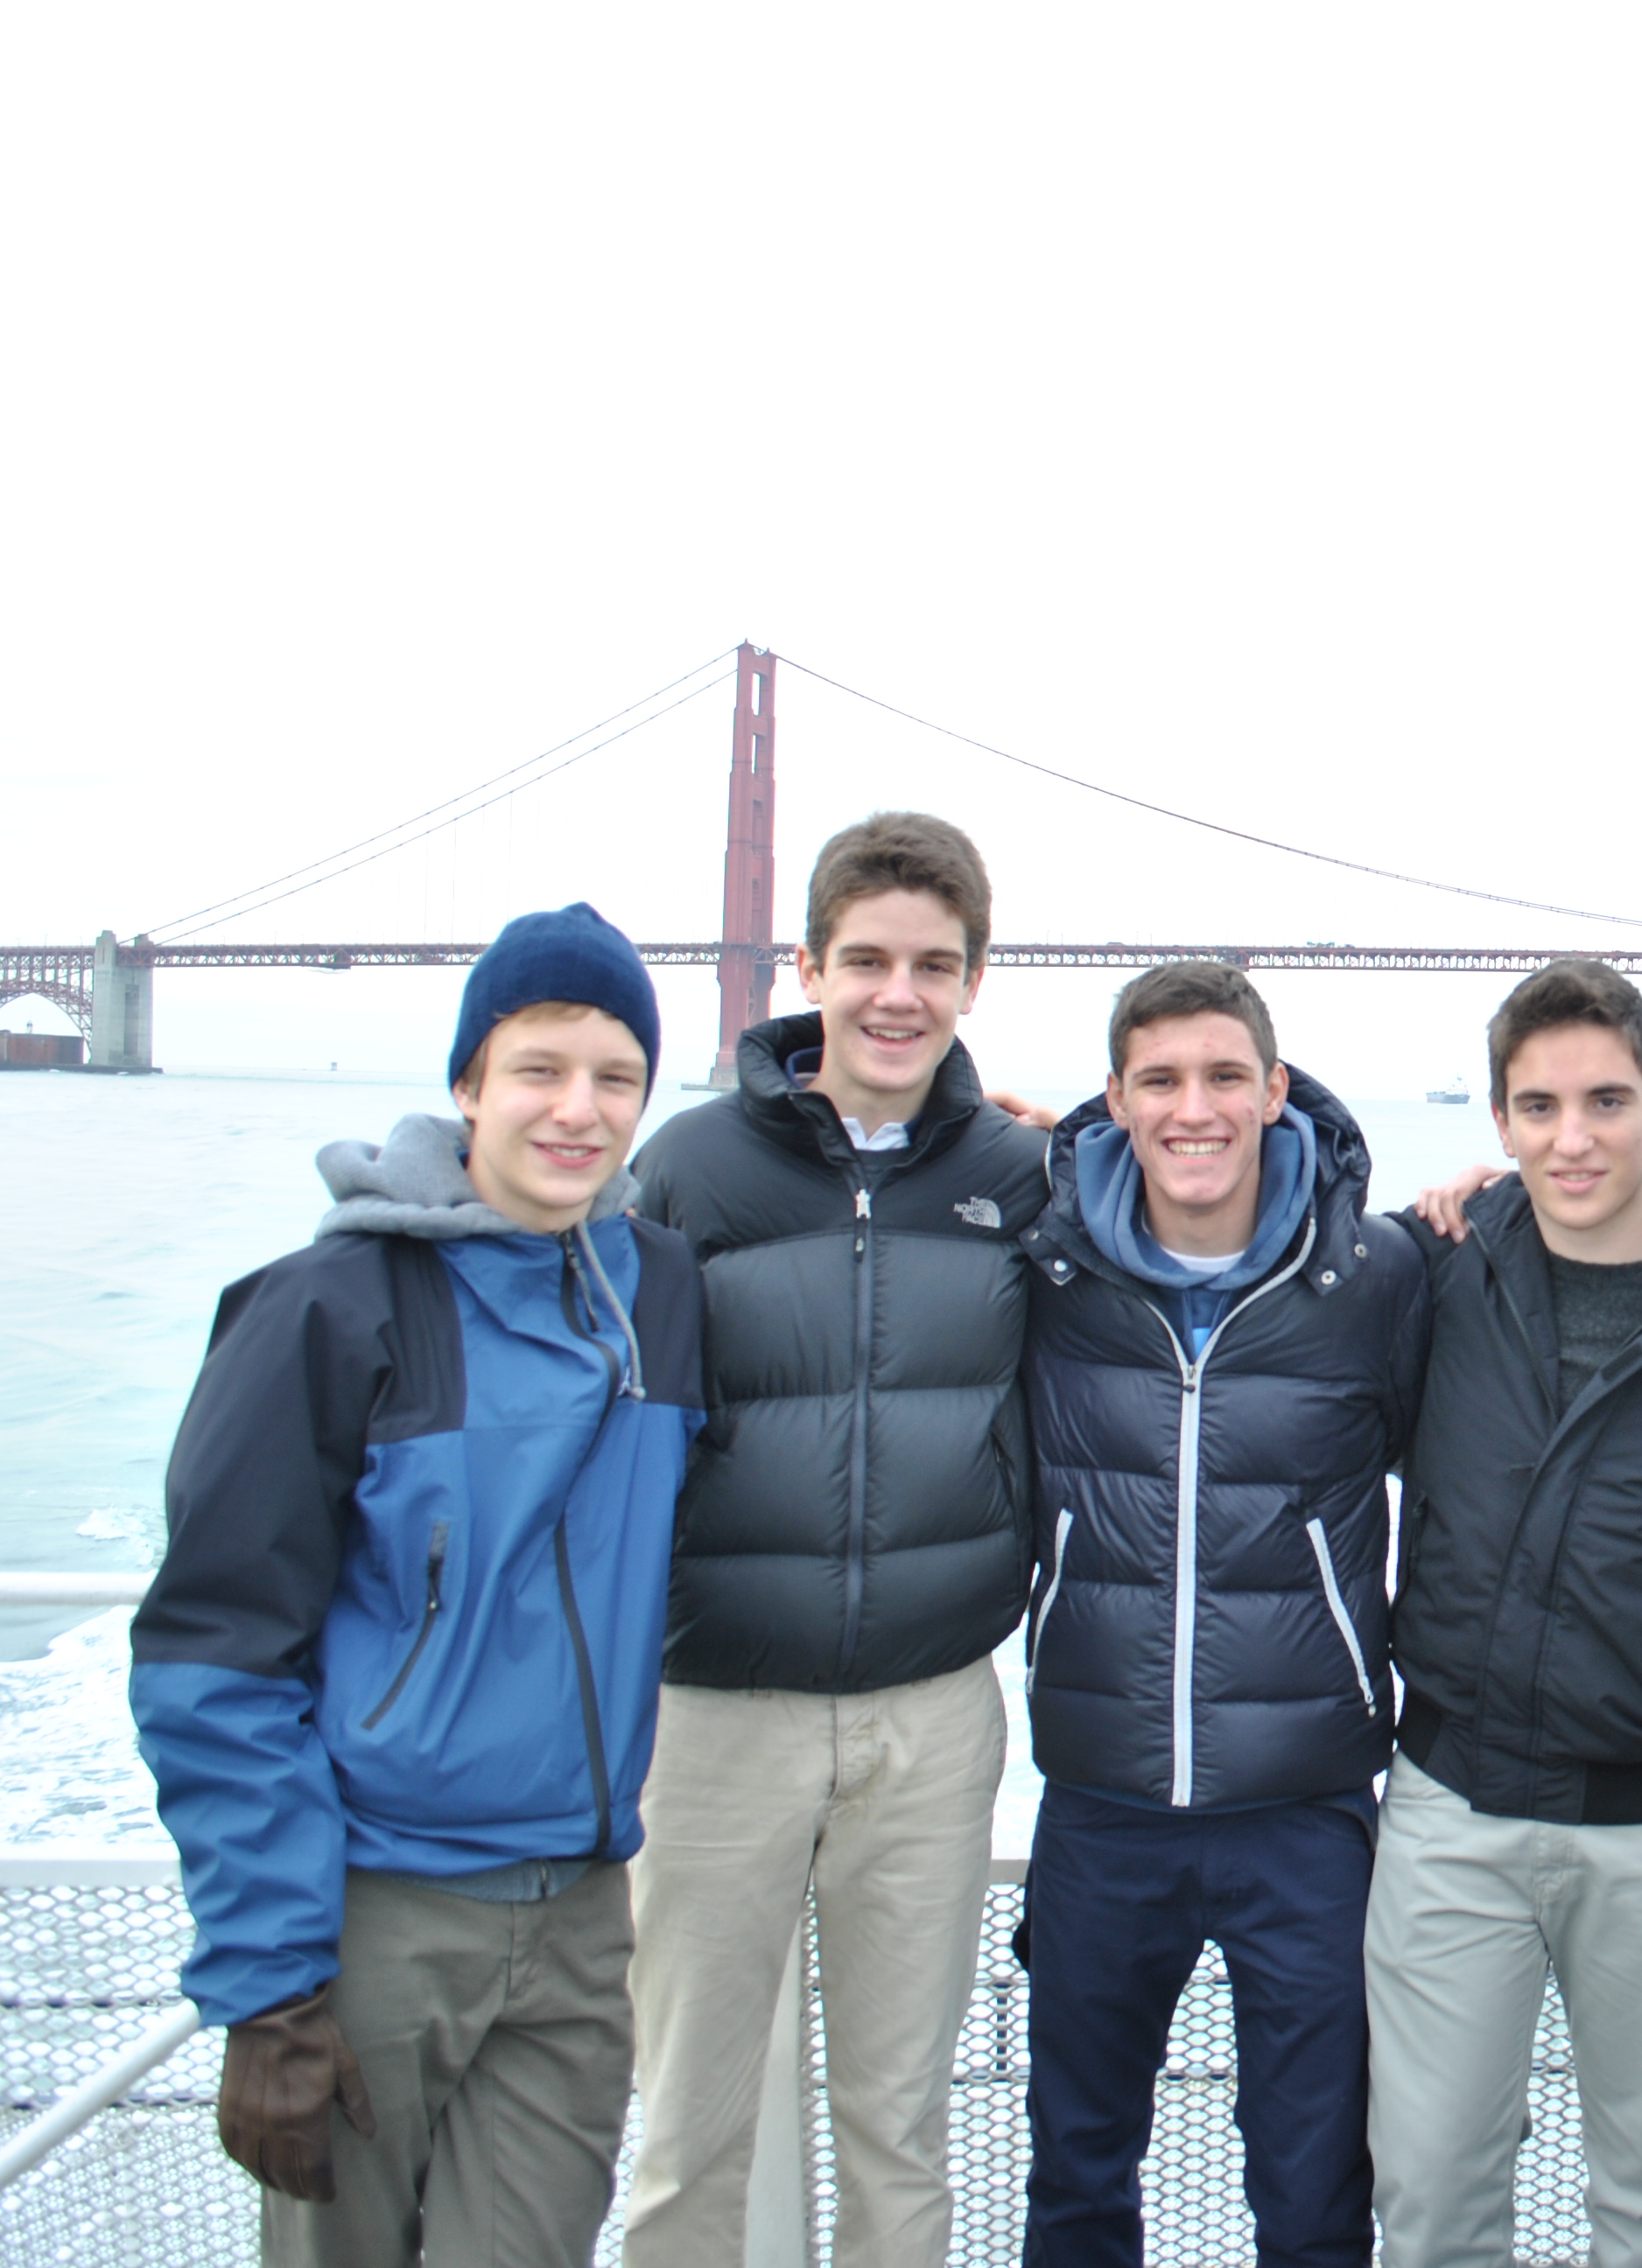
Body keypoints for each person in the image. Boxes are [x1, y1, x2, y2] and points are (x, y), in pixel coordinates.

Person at [130, 904, 705, 2264]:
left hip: (583, 1911)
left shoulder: (663, 1292)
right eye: (538, 1069)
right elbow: (215, 1655)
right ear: (467, 1085)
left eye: (616, 1077)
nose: (578, 1110)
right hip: (376, 1916)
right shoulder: (327, 1308)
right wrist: (270, 1989)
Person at [621, 813, 1049, 2268]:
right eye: (866, 960)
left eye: (933, 965)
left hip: (932, 1718)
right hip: (714, 1719)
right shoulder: (686, 1168)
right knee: (691, 2133)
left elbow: (1217, 1190)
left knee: (899, 2128)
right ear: (807, 969)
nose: (897, 995)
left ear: (974, 980)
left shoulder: (1021, 1173)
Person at [1366, 959, 1642, 2268]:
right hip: (1451, 1811)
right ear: (1499, 1123)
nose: (1574, 1138)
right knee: (1431, 2199)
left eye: (1607, 1102)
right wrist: (1070, 1149)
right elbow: (1256, 1257)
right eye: (1540, 1107)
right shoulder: (1438, 1269)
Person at [1017, 959, 1428, 2268]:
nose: (1192, 1110)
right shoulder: (1046, 1266)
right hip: (1100, 1803)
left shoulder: (1375, 1274)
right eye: (1159, 1081)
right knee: (1077, 2179)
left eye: (1222, 1077)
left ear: (1274, 1090)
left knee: (1314, 2198)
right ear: (1114, 1101)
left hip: (1306, 1815)